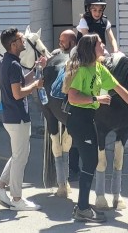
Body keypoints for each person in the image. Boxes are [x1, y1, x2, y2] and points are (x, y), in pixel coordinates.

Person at [63, 33, 128, 222]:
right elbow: (72, 97)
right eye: (100, 44)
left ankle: (82, 207)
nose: (104, 46)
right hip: (78, 119)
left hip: (88, 118)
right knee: (90, 162)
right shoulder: (82, 70)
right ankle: (82, 208)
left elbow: (120, 89)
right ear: (92, 48)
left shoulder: (99, 68)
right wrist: (96, 98)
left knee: (91, 162)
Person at [0, 27, 45, 212]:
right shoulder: (13, 64)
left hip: (12, 116)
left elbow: (20, 83)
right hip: (17, 117)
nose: (23, 42)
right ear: (13, 44)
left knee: (18, 155)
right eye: (21, 40)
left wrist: (36, 70)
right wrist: (36, 85)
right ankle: (16, 198)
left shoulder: (6, 61)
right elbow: (18, 93)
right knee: (20, 158)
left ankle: (0, 185)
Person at [51, 28, 81, 181]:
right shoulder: (57, 54)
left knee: (73, 138)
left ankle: (73, 168)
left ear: (73, 42)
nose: (60, 44)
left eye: (63, 41)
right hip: (60, 101)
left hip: (75, 102)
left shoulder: (78, 56)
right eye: (60, 41)